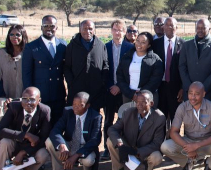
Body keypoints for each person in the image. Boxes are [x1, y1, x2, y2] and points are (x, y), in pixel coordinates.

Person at [161, 82, 211, 170]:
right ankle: (189, 161)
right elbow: (173, 132)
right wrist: (188, 148)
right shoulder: (182, 107)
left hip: (207, 142)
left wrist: (197, 145)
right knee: (165, 146)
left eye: (197, 94)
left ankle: (209, 164)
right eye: (190, 93)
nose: (193, 97)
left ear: (204, 94)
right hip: (189, 141)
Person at [0, 87, 51, 170]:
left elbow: (44, 137)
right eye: (24, 99)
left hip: (31, 146)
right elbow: (0, 131)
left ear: (39, 100)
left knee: (43, 154)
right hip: (14, 142)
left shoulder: (45, 111)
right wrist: (25, 135)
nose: (28, 102)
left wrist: (23, 152)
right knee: (4, 142)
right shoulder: (14, 107)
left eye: (32, 99)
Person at [106, 90, 166, 170]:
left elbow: (157, 143)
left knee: (156, 157)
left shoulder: (159, 117)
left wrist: (136, 152)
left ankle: (148, 167)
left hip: (145, 149)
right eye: (137, 102)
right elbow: (112, 129)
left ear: (151, 103)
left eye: (143, 102)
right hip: (128, 146)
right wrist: (120, 144)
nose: (139, 104)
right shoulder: (128, 112)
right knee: (110, 141)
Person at [45, 92, 103, 170]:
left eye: (80, 105)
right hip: (70, 143)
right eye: (74, 104)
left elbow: (95, 140)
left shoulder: (96, 117)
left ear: (87, 106)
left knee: (88, 160)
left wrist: (76, 155)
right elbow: (55, 130)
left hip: (84, 146)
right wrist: (62, 145)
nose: (75, 107)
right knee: (49, 141)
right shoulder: (68, 112)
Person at [22, 15, 67, 126]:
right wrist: (30, 97)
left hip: (58, 94)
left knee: (58, 125)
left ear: (56, 28)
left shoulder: (63, 45)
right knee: (41, 126)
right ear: (41, 27)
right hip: (41, 95)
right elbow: (26, 74)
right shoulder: (31, 47)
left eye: (52, 26)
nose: (49, 28)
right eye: (45, 25)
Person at [103, 19, 134, 159]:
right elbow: (103, 69)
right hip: (109, 90)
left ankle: (123, 147)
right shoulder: (105, 47)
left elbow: (131, 71)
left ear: (124, 32)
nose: (117, 32)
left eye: (120, 30)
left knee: (124, 119)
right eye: (115, 29)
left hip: (124, 90)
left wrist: (120, 86)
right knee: (108, 120)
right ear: (111, 31)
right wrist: (111, 85)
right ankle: (106, 147)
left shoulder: (130, 48)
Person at [64, 20, 109, 110]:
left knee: (94, 117)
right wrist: (71, 82)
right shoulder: (72, 46)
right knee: (76, 116)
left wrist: (102, 82)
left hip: (96, 90)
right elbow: (66, 67)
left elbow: (105, 65)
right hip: (77, 89)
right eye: (84, 29)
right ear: (80, 30)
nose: (87, 31)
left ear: (94, 30)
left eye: (90, 29)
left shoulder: (100, 45)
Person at [179, 18, 211, 102]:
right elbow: (182, 67)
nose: (200, 30)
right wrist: (190, 88)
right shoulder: (186, 46)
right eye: (198, 28)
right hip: (189, 93)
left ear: (209, 29)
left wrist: (202, 89)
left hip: (207, 93)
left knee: (204, 115)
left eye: (203, 28)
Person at [117, 31, 164, 105]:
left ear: (149, 45)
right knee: (129, 116)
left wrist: (141, 94)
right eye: (138, 41)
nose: (139, 44)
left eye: (143, 42)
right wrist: (131, 94)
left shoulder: (155, 60)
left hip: (147, 97)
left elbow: (155, 81)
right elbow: (120, 75)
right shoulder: (127, 57)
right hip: (128, 96)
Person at [154, 17, 185, 124]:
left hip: (176, 88)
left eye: (171, 25)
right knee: (160, 118)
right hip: (160, 87)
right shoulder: (155, 44)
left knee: (175, 118)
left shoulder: (184, 44)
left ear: (176, 27)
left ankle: (174, 140)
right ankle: (161, 140)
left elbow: (185, 68)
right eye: (166, 25)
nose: (169, 27)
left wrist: (182, 88)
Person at [0, 25, 28, 99]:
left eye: (18, 35)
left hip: (25, 96)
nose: (14, 37)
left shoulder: (28, 53)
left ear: (23, 36)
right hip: (5, 95)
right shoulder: (2, 53)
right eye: (11, 34)